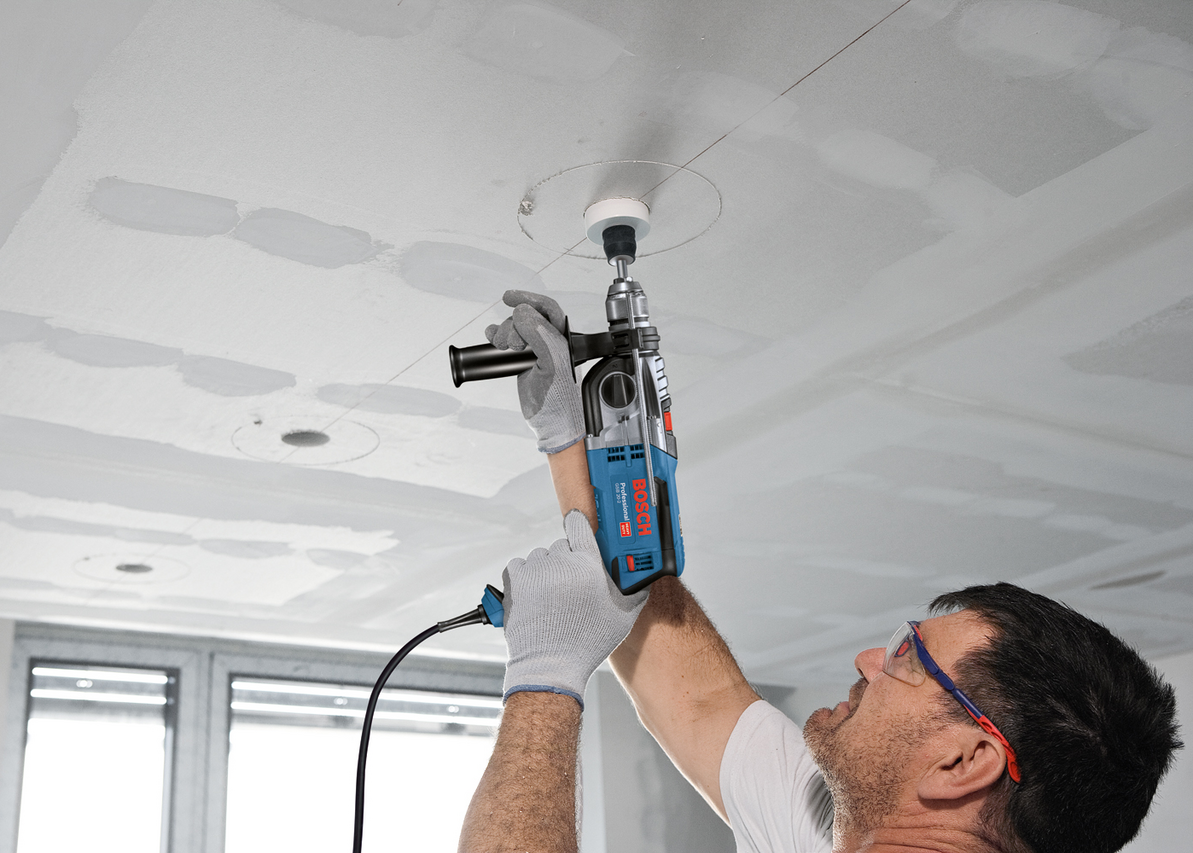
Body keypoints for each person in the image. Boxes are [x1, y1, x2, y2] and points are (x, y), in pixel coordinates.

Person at [457, 292, 1182, 853]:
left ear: (964, 761)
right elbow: (701, 699)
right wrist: (577, 442)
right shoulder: (834, 825)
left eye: (909, 659)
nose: (868, 660)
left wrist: (544, 678)